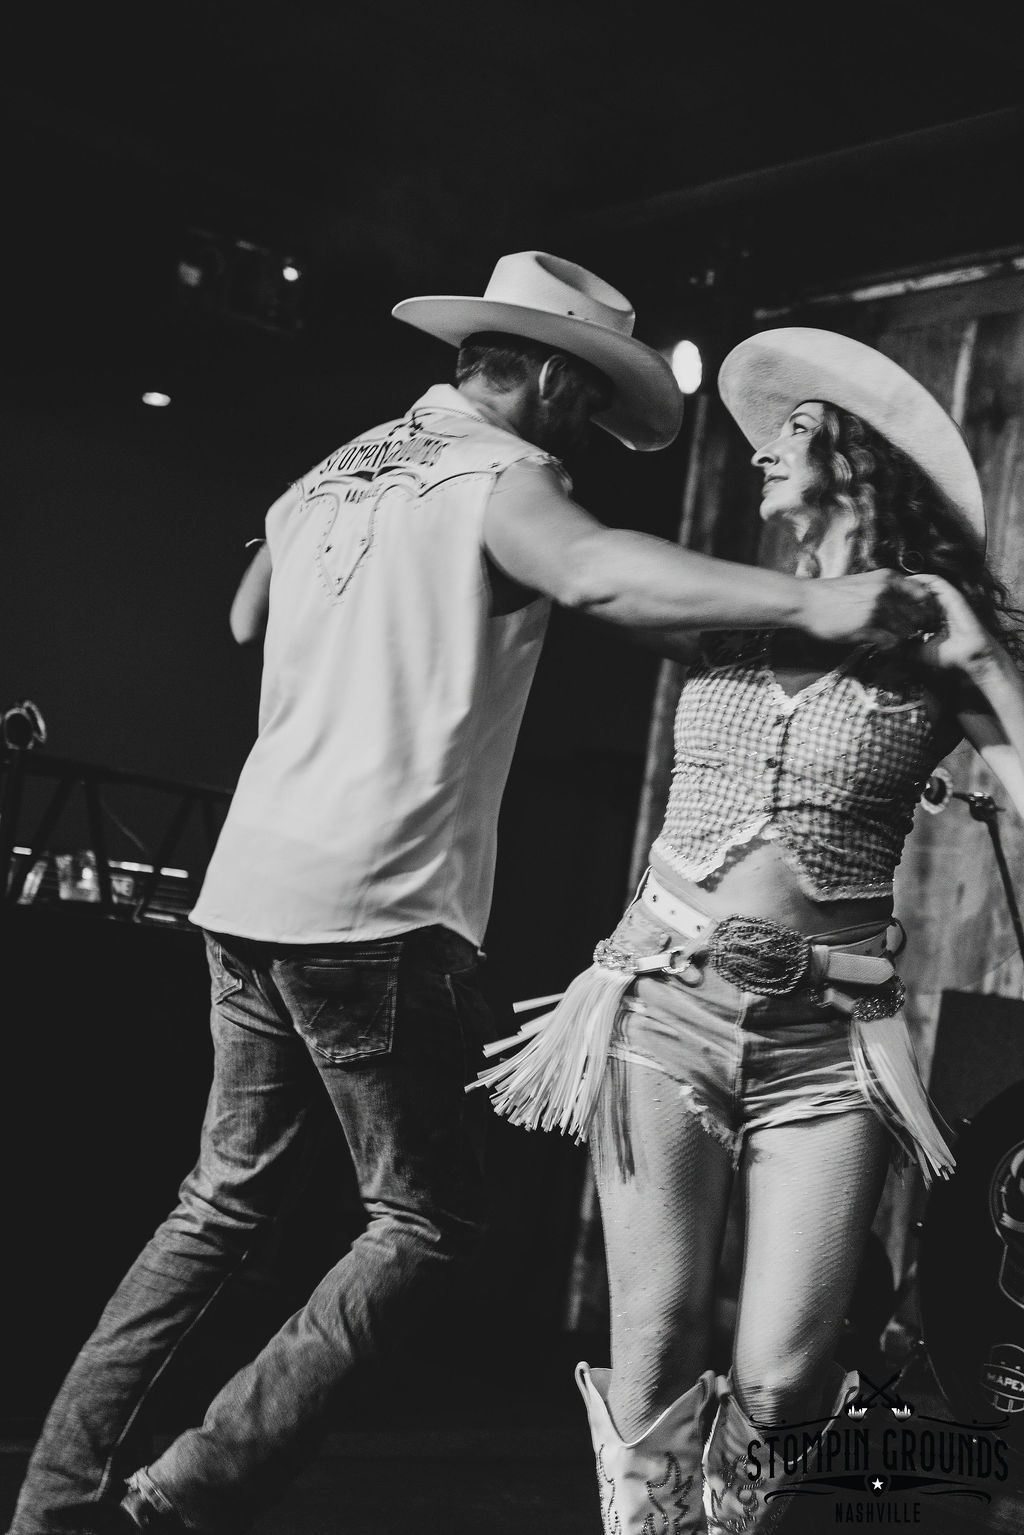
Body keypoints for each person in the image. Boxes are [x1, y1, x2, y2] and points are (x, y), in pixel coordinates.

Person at [9, 270, 926, 1535]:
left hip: (247, 888)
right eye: (589, 404)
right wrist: (812, 600)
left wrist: (348, 568)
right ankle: (193, 1491)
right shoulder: (505, 477)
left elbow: (242, 614)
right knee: (427, 1220)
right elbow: (601, 574)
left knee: (217, 1207)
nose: (586, 436)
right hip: (372, 903)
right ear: (550, 376)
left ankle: (55, 1501)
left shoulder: (326, 474)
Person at [478, 326, 1024, 1534]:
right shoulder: (727, 612)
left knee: (783, 1377)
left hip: (831, 1042)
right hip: (661, 1001)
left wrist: (981, 651)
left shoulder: (938, 638)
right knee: (657, 1346)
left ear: (866, 457)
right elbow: (590, 575)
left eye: (797, 429)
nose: (765, 452)